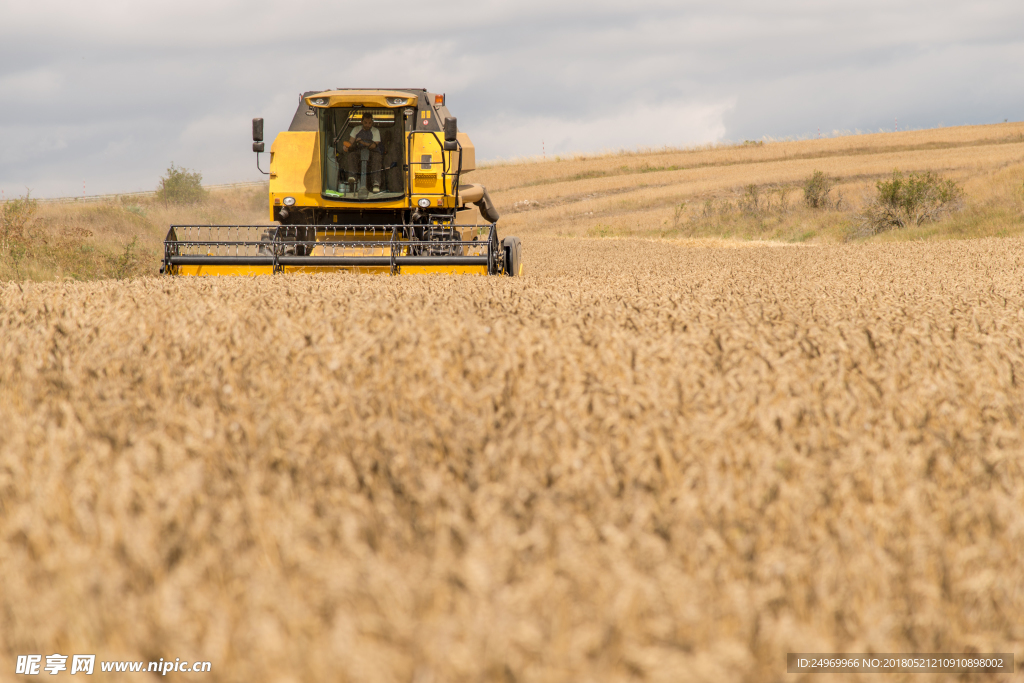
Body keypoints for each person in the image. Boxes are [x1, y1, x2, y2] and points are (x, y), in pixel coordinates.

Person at [343, 113, 384, 193]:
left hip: (372, 152)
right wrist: (347, 146)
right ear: (361, 121)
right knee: (351, 155)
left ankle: (376, 183)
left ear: (372, 122)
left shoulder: (375, 131)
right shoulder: (356, 129)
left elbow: (373, 145)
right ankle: (352, 177)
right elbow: (351, 141)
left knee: (377, 158)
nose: (367, 125)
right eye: (365, 122)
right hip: (359, 150)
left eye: (369, 123)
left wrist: (362, 142)